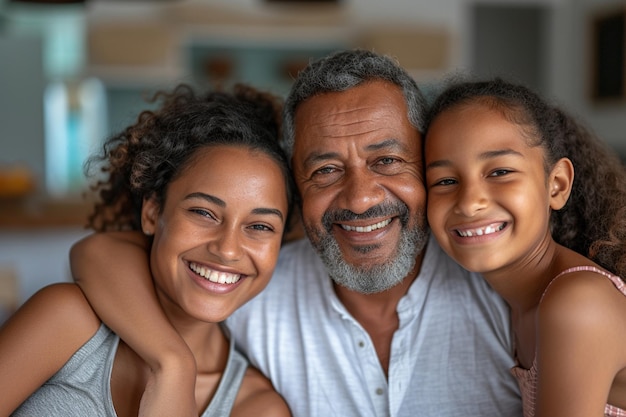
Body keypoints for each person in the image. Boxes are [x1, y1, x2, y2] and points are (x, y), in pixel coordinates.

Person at [69, 49, 523, 416]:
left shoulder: (499, 290)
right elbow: (102, 253)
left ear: (426, 164)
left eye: (386, 161)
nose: (361, 198)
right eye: (325, 169)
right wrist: (173, 364)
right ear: (295, 188)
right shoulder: (256, 289)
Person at [0, 83, 295, 417]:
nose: (227, 250)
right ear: (152, 212)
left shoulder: (257, 408)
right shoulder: (66, 320)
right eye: (203, 212)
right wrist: (174, 366)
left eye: (260, 227)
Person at [423, 77, 626, 417]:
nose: (470, 202)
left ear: (557, 185)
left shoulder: (577, 302)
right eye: (445, 181)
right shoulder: (513, 305)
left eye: (500, 171)